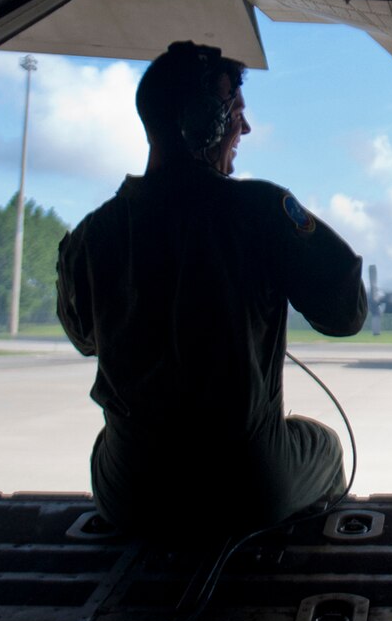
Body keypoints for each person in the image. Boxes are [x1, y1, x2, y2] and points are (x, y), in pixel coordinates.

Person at [56, 41, 367, 541]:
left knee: (108, 445)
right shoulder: (261, 209)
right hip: (246, 491)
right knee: (326, 446)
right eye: (236, 112)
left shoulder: (91, 236)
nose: (243, 129)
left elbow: (85, 339)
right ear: (204, 122)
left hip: (132, 494)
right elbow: (346, 314)